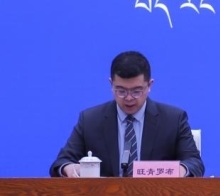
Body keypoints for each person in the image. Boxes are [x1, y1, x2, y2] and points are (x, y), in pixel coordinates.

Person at [50, 51, 204, 177]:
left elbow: (194, 163)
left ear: (149, 85)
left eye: (136, 91)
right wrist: (71, 169)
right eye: (121, 91)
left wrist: (178, 171)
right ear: (111, 85)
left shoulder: (173, 119)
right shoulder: (90, 120)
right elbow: (61, 162)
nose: (129, 98)